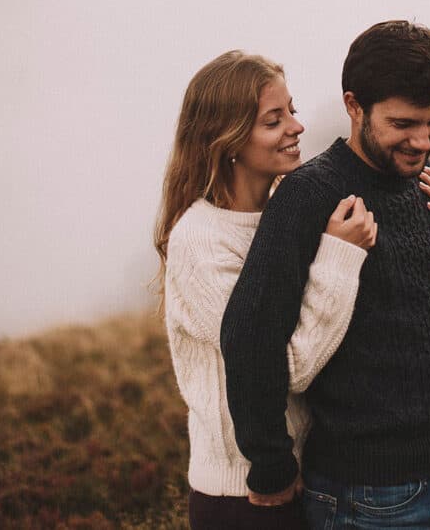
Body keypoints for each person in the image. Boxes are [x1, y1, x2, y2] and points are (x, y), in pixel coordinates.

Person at [221, 21, 430, 530]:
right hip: (359, 497)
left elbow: (402, 305)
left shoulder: (418, 176)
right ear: (354, 106)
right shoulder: (309, 195)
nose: (422, 141)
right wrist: (270, 466)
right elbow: (249, 335)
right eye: (403, 124)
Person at [154, 50, 378, 530]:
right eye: (273, 121)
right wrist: (339, 257)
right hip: (245, 497)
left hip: (310, 477)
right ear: (228, 139)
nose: (297, 127)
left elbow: (355, 329)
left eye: (292, 111)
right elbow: (283, 368)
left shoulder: (283, 213)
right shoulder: (200, 240)